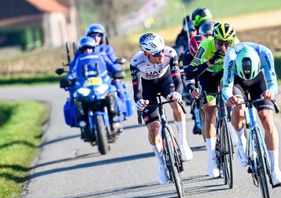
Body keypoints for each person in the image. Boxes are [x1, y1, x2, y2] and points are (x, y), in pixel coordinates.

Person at [130, 33, 193, 184]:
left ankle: (183, 143)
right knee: (153, 128)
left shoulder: (170, 53)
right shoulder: (136, 62)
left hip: (166, 81)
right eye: (156, 53)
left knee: (175, 103)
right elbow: (137, 90)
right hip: (147, 88)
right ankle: (161, 163)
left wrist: (176, 92)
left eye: (161, 51)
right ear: (146, 53)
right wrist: (139, 101)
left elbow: (177, 78)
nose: (161, 55)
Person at [221, 42, 281, 187]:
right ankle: (241, 141)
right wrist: (229, 98)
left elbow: (273, 84)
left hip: (259, 80)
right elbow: (226, 88)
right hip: (237, 83)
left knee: (267, 120)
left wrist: (271, 92)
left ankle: (275, 170)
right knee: (238, 108)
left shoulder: (265, 54)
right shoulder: (230, 57)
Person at [185, 23, 240, 178]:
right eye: (219, 43)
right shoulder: (205, 45)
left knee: (236, 98)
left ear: (232, 41)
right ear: (213, 39)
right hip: (207, 75)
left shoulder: (236, 44)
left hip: (225, 74)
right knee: (210, 113)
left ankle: (240, 142)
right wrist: (210, 61)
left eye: (226, 43)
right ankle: (212, 159)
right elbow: (189, 72)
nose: (222, 47)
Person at [66, 36, 116, 135]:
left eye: (89, 48)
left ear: (93, 48)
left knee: (112, 90)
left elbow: (110, 65)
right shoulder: (78, 60)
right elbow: (72, 71)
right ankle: (82, 120)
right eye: (85, 49)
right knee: (76, 97)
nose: (88, 50)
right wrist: (68, 79)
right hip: (86, 88)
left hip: (100, 86)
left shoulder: (100, 56)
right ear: (81, 50)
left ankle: (114, 116)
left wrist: (117, 71)